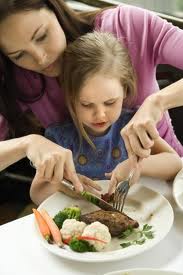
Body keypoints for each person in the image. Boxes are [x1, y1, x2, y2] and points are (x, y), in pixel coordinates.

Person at [0, 1, 183, 193]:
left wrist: (158, 102)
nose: (40, 58)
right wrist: (27, 144)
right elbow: (39, 191)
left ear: (55, 9)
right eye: (19, 54)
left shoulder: (128, 26)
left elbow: (172, 161)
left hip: (173, 186)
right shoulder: (16, 78)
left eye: (42, 36)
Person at [29, 31, 182, 205]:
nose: (100, 115)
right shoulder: (59, 138)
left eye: (110, 102)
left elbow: (175, 163)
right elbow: (37, 193)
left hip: (135, 211)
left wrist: (137, 166)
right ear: (70, 97)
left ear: (124, 90)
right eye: (86, 104)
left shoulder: (131, 125)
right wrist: (64, 185)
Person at [121, 79, 183, 159]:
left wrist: (157, 102)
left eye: (110, 102)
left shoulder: (129, 123)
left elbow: (174, 161)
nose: (101, 115)